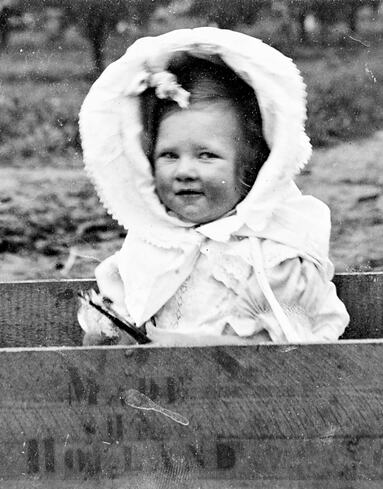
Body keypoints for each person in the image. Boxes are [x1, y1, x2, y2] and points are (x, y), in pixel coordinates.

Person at [77, 27, 349, 346]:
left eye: (206, 155)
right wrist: (112, 334)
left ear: (248, 169)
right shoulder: (151, 245)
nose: (184, 171)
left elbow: (292, 347)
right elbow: (124, 320)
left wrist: (185, 348)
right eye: (169, 155)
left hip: (251, 390)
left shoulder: (271, 255)